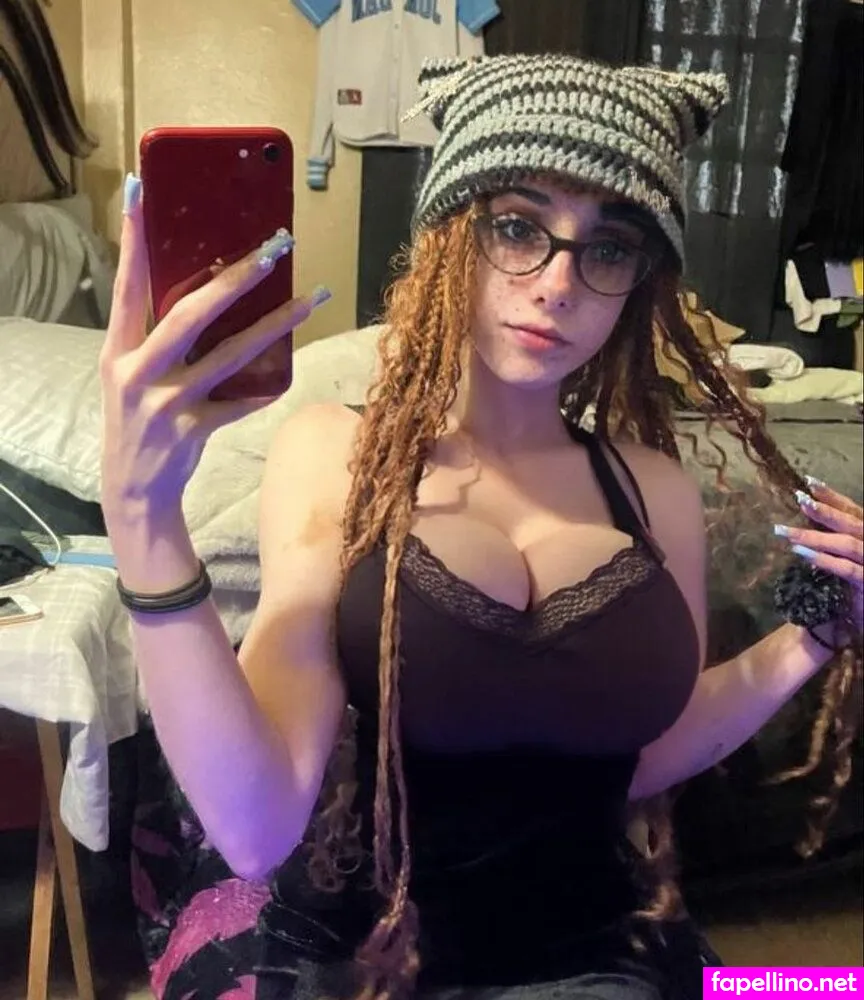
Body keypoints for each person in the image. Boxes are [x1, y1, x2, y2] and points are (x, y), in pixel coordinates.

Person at [100, 54, 864, 1000]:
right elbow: (256, 831)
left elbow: (642, 751)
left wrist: (820, 629)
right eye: (516, 227)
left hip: (597, 951)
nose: (558, 283)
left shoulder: (654, 487)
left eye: (609, 247)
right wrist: (144, 523)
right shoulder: (338, 452)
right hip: (363, 958)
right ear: (449, 240)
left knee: (828, 988)